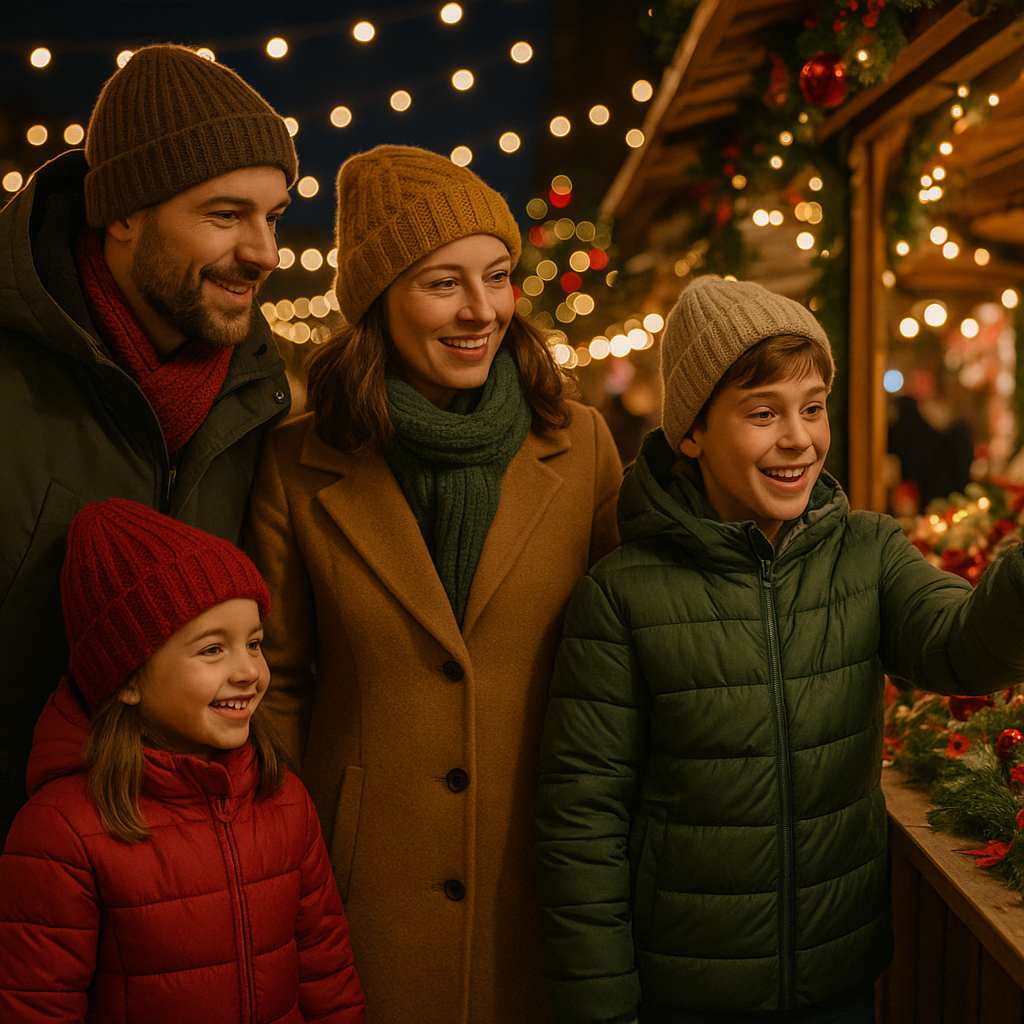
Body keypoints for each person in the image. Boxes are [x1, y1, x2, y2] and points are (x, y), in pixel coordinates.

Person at [534, 275, 1024, 1024]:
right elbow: (582, 822)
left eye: (813, 408)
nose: (798, 437)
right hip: (686, 992)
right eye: (763, 413)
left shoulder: (866, 551)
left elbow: (958, 648)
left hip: (837, 979)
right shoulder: (624, 594)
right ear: (692, 433)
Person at [244, 144, 623, 1024]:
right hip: (359, 892)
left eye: (496, 276)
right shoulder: (297, 464)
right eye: (442, 283)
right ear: (379, 301)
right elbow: (279, 687)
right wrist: (286, 865)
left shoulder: (586, 446)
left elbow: (620, 665)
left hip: (541, 881)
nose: (482, 310)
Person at [0, 44, 297, 846]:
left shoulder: (259, 402)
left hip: (175, 882)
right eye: (226, 214)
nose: (265, 252)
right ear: (123, 214)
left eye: (273, 216)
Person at [0, 498, 366, 1023]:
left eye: (255, 643)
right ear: (128, 678)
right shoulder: (61, 832)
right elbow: (36, 1007)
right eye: (213, 649)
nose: (249, 672)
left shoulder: (282, 798)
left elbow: (329, 978)